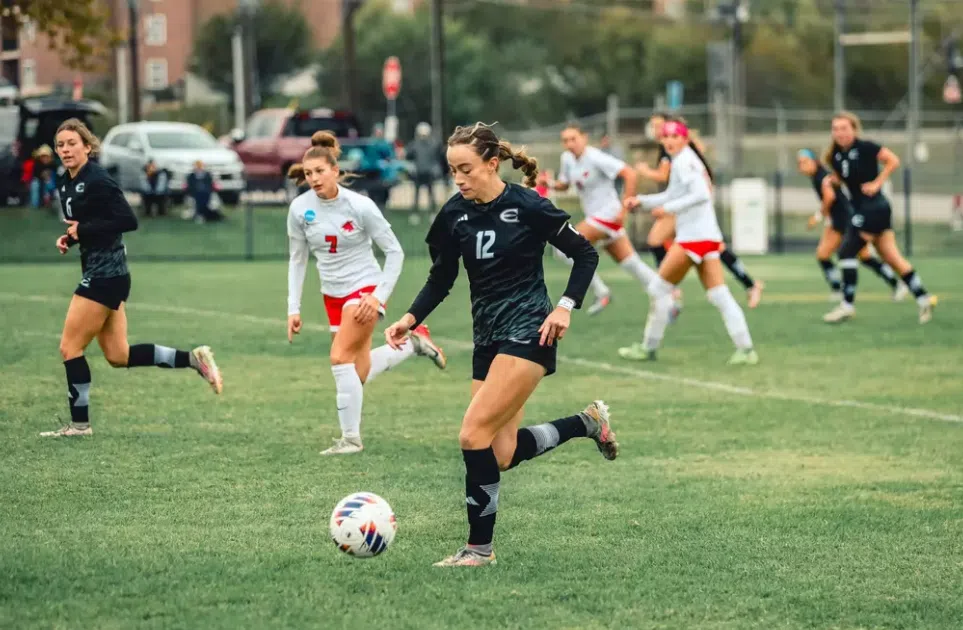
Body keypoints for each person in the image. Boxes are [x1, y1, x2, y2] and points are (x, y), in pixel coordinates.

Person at [384, 122, 618, 568]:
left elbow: (586, 254)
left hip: (531, 330)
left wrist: (565, 305)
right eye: (453, 170)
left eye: (466, 169)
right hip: (487, 337)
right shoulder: (454, 214)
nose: (459, 179)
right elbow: (441, 277)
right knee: (501, 453)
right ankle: (586, 423)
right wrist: (410, 318)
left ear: (493, 164)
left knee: (472, 435)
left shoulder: (527, 205)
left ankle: (478, 550)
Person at [42, 119, 222, 438]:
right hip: (105, 274)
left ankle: (80, 425)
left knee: (70, 348)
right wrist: (71, 238)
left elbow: (127, 220)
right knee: (118, 355)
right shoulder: (66, 181)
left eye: (72, 143)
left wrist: (82, 231)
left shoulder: (98, 178)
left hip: (105, 276)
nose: (66, 149)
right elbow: (93, 224)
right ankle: (193, 359)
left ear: (87, 146)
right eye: (60, 145)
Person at [287, 131, 447, 455]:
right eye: (308, 174)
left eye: (319, 171)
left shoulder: (360, 206)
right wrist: (293, 307)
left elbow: (395, 253)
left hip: (364, 289)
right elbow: (297, 259)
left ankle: (350, 440)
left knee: (339, 358)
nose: (314, 179)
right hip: (331, 294)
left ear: (335, 170)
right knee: (356, 373)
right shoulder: (299, 209)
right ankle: (413, 344)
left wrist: (377, 297)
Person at [619, 120, 758, 365]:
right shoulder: (684, 159)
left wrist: (667, 209)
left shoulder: (684, 161)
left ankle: (648, 347)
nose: (669, 140)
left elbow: (700, 196)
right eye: (665, 137)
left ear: (684, 139)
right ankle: (746, 349)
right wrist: (642, 201)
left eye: (674, 136)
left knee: (658, 290)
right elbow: (674, 195)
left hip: (694, 238)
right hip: (705, 236)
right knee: (719, 294)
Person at [637, 113, 765, 308]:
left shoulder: (672, 151)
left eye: (658, 125)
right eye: (653, 126)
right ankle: (749, 284)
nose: (655, 130)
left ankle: (669, 289)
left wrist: (644, 172)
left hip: (683, 205)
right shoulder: (679, 148)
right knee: (715, 247)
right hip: (683, 203)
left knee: (657, 240)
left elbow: (664, 176)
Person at [821, 112, 936, 324]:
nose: (840, 133)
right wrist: (832, 180)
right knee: (893, 258)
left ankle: (847, 306)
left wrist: (877, 182)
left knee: (846, 251)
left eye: (844, 128)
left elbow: (893, 160)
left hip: (874, 208)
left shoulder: (866, 147)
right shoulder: (836, 155)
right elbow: (844, 177)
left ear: (854, 129)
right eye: (836, 128)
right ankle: (924, 298)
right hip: (865, 210)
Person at [552, 124, 667, 317]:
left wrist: (624, 209)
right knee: (631, 263)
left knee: (563, 247)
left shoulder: (596, 157)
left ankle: (601, 292)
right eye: (565, 140)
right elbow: (564, 185)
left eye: (574, 139)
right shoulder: (567, 159)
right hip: (595, 218)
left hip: (608, 215)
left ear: (584, 138)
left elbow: (629, 173)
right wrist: (548, 183)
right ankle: (666, 293)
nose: (570, 144)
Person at [796, 149, 908, 302]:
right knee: (850, 255)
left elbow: (830, 197)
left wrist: (818, 216)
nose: (802, 166)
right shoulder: (817, 176)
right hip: (840, 220)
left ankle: (894, 284)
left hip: (845, 221)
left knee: (829, 254)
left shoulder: (822, 176)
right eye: (799, 163)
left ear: (814, 161)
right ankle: (894, 284)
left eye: (804, 162)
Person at [406, 122, 443, 214]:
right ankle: (415, 212)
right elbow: (409, 157)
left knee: (431, 193)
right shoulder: (414, 145)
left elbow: (436, 158)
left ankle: (433, 211)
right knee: (417, 193)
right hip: (418, 172)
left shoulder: (433, 145)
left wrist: (436, 169)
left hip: (429, 172)